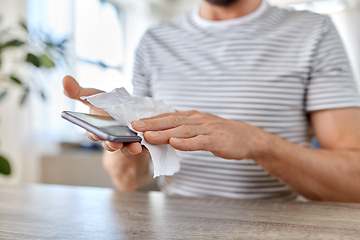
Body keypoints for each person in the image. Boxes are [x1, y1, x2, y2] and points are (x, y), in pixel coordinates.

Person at [63, 0, 360, 202]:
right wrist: (117, 125)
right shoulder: (154, 42)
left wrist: (257, 142)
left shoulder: (314, 32)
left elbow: (353, 184)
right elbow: (127, 181)